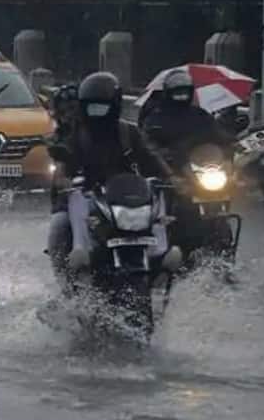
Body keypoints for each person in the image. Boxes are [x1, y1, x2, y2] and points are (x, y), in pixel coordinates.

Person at [50, 72, 179, 271]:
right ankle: (79, 252)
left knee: (156, 191)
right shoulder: (75, 135)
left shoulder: (129, 132)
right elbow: (62, 163)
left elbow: (152, 158)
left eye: (102, 107)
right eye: (92, 108)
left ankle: (161, 252)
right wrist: (63, 179)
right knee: (59, 223)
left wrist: (171, 178)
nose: (97, 113)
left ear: (115, 105)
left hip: (128, 198)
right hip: (90, 196)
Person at [141, 69, 237, 258]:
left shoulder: (201, 116)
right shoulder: (156, 119)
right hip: (171, 176)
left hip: (200, 172)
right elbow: (149, 147)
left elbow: (221, 139)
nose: (181, 95)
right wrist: (169, 165)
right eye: (177, 91)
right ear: (168, 92)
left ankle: (224, 258)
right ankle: (161, 250)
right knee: (158, 209)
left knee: (222, 201)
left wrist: (227, 160)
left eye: (184, 91)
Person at [44, 84, 81, 282]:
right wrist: (64, 181)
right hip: (71, 199)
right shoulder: (59, 138)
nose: (70, 115)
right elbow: (60, 168)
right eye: (65, 110)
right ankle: (63, 283)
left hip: (108, 195)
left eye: (74, 108)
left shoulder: (112, 131)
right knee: (59, 228)